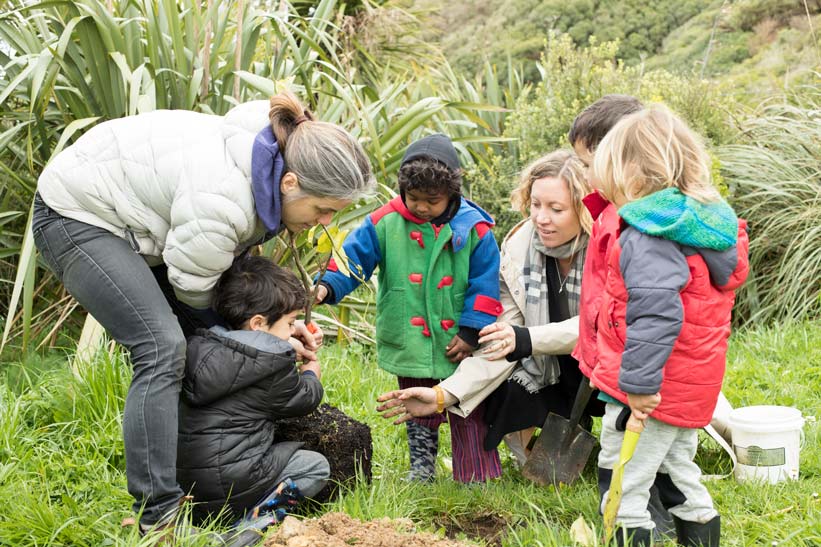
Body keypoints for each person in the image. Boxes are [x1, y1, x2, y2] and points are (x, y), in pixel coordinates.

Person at [31, 89, 373, 534]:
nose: (325, 221)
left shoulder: (270, 164)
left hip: (145, 226)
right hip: (77, 216)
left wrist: (271, 331)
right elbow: (196, 292)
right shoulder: (224, 199)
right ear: (290, 183)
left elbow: (231, 314)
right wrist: (261, 344)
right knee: (162, 347)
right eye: (322, 209)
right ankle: (160, 519)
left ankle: (205, 476)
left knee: (216, 342)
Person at [377, 150, 604, 465]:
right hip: (549, 366)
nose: (541, 218)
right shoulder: (520, 248)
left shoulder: (607, 247)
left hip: (606, 365)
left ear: (582, 209)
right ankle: (535, 454)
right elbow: (500, 337)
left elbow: (604, 326)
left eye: (556, 209)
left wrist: (524, 339)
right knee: (502, 390)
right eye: (536, 205)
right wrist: (444, 395)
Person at [587, 105, 748, 546]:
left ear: (634, 177)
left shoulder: (648, 235)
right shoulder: (704, 227)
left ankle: (626, 535)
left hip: (650, 388)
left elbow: (657, 313)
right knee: (678, 469)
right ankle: (700, 534)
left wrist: (638, 386)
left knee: (627, 479)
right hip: (690, 385)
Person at [315, 133, 504, 483]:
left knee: (468, 404)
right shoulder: (384, 222)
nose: (420, 207)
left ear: (453, 194)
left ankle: (476, 473)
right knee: (418, 409)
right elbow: (353, 260)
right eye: (413, 198)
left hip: (458, 342)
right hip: (410, 335)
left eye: (431, 201)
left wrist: (471, 331)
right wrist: (327, 286)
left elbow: (485, 282)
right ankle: (422, 469)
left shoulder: (476, 230)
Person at [177, 256, 329, 523]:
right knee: (316, 467)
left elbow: (250, 366)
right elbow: (303, 400)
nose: (293, 330)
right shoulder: (274, 364)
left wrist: (282, 344)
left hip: (189, 486)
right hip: (235, 486)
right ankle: (250, 523)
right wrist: (310, 375)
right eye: (290, 323)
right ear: (258, 324)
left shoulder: (201, 345)